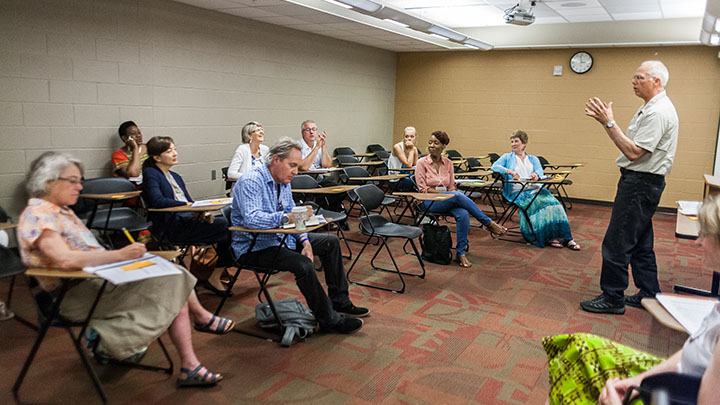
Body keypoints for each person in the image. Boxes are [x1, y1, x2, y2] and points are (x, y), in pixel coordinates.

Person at [17, 151, 233, 387]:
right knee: (174, 283)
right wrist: (120, 255)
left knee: (173, 274)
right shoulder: (39, 214)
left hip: (96, 281)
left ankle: (190, 362)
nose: (79, 187)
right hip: (72, 294)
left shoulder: (63, 212)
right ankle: (110, 339)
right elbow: (66, 260)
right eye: (73, 181)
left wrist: (123, 259)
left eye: (80, 180)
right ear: (48, 182)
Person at [544, 195, 720, 405]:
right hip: (684, 378)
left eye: (704, 234)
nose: (697, 242)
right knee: (578, 346)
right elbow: (696, 347)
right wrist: (641, 378)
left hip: (682, 393)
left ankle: (612, 297)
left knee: (575, 369)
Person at [231, 138, 368, 334]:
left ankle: (340, 301)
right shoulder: (251, 180)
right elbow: (253, 220)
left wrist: (305, 241)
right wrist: (287, 218)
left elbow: (295, 214)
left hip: (281, 240)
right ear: (276, 160)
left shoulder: (283, 181)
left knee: (331, 242)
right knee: (303, 265)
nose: (296, 171)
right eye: (292, 165)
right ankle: (329, 320)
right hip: (255, 247)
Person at [581, 60, 679, 315]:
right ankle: (649, 292)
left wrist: (608, 123)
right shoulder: (651, 107)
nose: (633, 82)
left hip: (639, 184)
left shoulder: (658, 112)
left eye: (639, 77)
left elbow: (634, 152)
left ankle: (612, 297)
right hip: (643, 183)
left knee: (618, 241)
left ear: (656, 81)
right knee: (641, 242)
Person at [142, 136, 234, 296]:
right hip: (170, 226)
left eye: (174, 149)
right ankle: (214, 277)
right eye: (169, 151)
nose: (174, 153)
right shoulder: (151, 173)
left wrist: (203, 213)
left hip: (188, 221)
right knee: (230, 229)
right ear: (156, 157)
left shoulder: (175, 176)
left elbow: (190, 202)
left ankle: (215, 276)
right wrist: (188, 207)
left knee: (231, 226)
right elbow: (157, 201)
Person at [414, 130, 507, 268]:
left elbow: (451, 186)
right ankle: (488, 223)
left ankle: (460, 253)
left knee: (463, 214)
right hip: (428, 202)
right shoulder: (422, 163)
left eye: (436, 143)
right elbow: (423, 189)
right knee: (457, 196)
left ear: (443, 146)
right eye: (430, 142)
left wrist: (448, 195)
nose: (431, 145)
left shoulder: (448, 163)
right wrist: (447, 195)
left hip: (446, 199)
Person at [491, 130, 580, 250]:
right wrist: (509, 171)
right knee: (542, 206)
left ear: (524, 143)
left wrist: (535, 175)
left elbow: (539, 172)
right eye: (512, 141)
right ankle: (549, 237)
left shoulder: (533, 159)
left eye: (516, 141)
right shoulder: (507, 157)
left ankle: (568, 238)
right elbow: (494, 166)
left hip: (534, 189)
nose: (513, 144)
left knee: (555, 205)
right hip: (518, 192)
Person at [297, 120, 344, 213]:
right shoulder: (297, 146)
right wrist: (317, 147)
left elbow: (326, 165)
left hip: (319, 179)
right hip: (305, 181)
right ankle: (327, 215)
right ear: (302, 132)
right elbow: (304, 167)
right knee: (322, 194)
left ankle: (331, 212)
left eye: (314, 129)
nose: (311, 132)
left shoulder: (318, 144)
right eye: (308, 129)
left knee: (340, 191)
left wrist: (323, 146)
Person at [388, 126, 419, 192]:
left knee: (426, 180)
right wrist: (411, 149)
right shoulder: (397, 147)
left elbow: (416, 166)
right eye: (406, 136)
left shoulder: (414, 149)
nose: (409, 139)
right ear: (403, 138)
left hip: (407, 177)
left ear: (415, 137)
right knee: (419, 184)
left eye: (412, 136)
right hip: (396, 180)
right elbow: (409, 165)